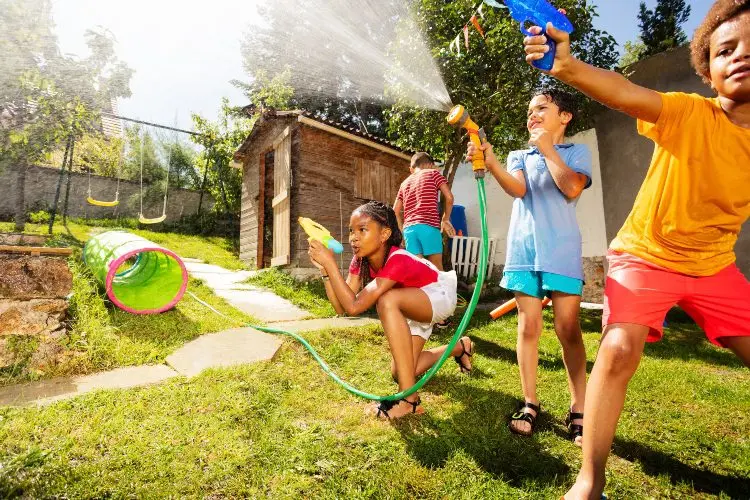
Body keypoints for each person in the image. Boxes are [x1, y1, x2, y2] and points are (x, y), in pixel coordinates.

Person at [523, 1, 750, 497]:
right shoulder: (691, 113)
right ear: (707, 72)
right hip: (647, 255)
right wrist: (568, 66)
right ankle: (590, 479)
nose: (740, 56)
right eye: (726, 49)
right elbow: (627, 93)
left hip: (714, 266)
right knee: (619, 349)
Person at [467, 89, 593, 446]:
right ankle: (530, 403)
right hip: (525, 251)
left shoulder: (575, 153)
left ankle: (579, 407)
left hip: (561, 251)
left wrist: (549, 150)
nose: (532, 115)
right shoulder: (519, 155)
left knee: (568, 328)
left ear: (564, 117)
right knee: (528, 327)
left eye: (542, 108)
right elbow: (518, 189)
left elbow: (571, 188)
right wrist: (491, 161)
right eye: (529, 111)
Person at [308, 200, 473, 419]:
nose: (353, 237)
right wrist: (326, 272)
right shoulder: (360, 261)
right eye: (351, 231)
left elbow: (355, 306)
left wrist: (331, 262)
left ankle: (408, 401)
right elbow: (343, 308)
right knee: (402, 372)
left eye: (362, 230)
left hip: (436, 295)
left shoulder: (398, 258)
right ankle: (460, 347)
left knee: (386, 300)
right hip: (408, 304)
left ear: (384, 234)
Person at [394, 152, 457, 328]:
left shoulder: (405, 182)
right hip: (429, 226)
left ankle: (419, 315)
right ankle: (442, 318)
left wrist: (402, 230)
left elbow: (395, 210)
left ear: (411, 168)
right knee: (437, 270)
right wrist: (445, 219)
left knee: (417, 274)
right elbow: (449, 198)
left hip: (410, 230)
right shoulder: (434, 174)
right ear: (430, 164)